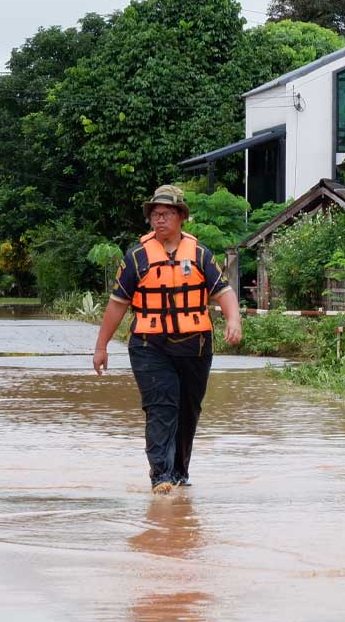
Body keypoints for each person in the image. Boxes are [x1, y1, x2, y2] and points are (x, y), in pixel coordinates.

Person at [94, 185, 242, 492]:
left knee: (188, 410)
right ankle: (161, 476)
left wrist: (234, 320)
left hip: (195, 345)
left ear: (181, 217)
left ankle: (179, 472)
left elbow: (224, 292)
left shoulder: (200, 255)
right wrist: (101, 346)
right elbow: (117, 305)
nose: (159, 220)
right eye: (155, 215)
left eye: (167, 214)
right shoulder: (136, 258)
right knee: (162, 406)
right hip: (150, 346)